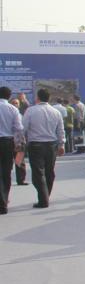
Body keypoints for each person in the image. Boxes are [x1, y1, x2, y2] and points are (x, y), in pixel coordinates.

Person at [22, 88, 65, 208]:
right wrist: (62, 144)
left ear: (37, 97)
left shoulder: (31, 110)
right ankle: (46, 195)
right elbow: (60, 130)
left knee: (38, 173)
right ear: (49, 98)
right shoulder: (56, 112)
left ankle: (43, 199)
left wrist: (21, 142)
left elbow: (23, 128)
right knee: (49, 172)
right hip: (51, 145)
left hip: (36, 145)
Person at [0, 86, 25, 214]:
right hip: (7, 142)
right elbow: (19, 128)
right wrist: (19, 143)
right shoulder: (13, 109)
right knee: (6, 172)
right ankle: (3, 202)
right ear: (9, 97)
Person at [8, 97, 28, 186]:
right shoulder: (7, 115)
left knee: (20, 161)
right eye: (13, 103)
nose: (15, 105)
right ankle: (6, 180)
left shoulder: (21, 116)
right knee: (7, 161)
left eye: (16, 103)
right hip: (9, 140)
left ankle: (21, 180)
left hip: (19, 141)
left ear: (19, 105)